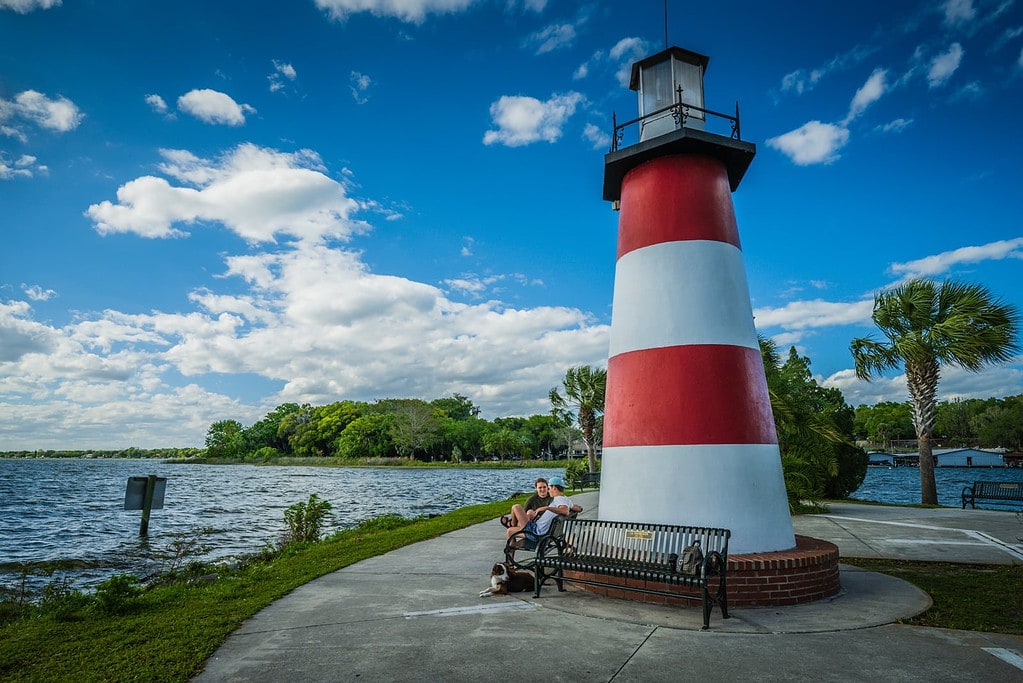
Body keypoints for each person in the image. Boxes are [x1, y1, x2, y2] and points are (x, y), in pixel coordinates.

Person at [505, 476, 575, 542]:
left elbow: (565, 511)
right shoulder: (565, 499)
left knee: (516, 507)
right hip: (540, 530)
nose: (548, 490)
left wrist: (546, 508)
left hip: (536, 533)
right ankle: (512, 525)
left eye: (548, 488)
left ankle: (511, 524)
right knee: (510, 530)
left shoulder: (558, 499)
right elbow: (577, 508)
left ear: (554, 488)